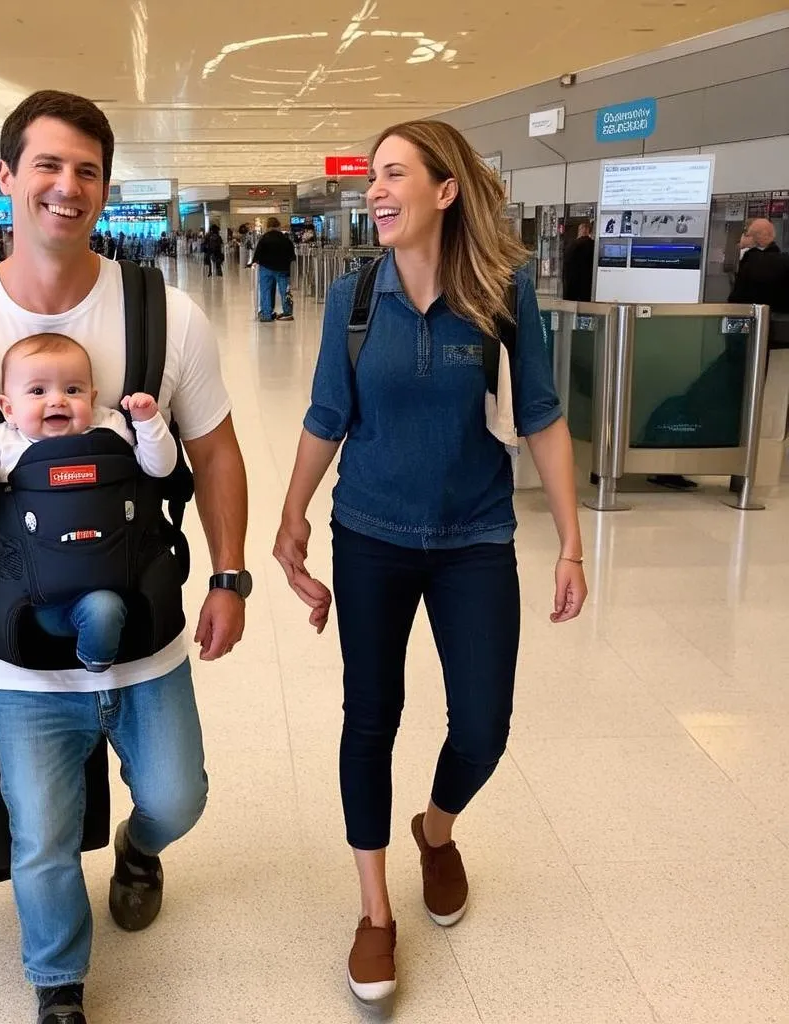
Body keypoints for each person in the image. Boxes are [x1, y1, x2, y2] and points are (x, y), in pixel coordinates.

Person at [0, 90, 250, 1024]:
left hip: (147, 635)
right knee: (38, 838)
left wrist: (231, 575)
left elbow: (216, 452)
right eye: (46, 164)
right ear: (7, 177)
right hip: (17, 652)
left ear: (105, 187)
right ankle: (58, 987)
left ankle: (138, 846)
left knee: (180, 796)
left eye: (86, 170)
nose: (65, 187)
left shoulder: (167, 316)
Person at [273, 120, 587, 1009]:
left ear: (445, 191)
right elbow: (326, 412)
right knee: (370, 718)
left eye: (394, 173)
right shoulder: (354, 297)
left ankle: (436, 829)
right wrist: (292, 514)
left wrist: (570, 541)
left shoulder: (501, 292)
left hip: (475, 537)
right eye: (371, 175)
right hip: (369, 532)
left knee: (484, 726)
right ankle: (375, 914)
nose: (375, 189)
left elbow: (542, 416)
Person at [0, 332, 177, 672]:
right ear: (8, 407)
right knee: (68, 611)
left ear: (92, 398)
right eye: (38, 391)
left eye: (73, 390)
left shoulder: (108, 425)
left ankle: (95, 659)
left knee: (104, 610)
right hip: (35, 594)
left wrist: (148, 423)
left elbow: (159, 467)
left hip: (107, 583)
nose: (57, 401)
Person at [729, 218, 789, 313]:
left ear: (753, 237)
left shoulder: (750, 262)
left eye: (746, 234)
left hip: (753, 318)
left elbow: (738, 298)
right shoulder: (784, 261)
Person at [252, 217, 297, 322]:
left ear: (267, 226)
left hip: (266, 268)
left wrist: (254, 262)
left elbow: (257, 254)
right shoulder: (285, 239)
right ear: (278, 226)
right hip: (282, 269)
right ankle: (287, 313)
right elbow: (292, 256)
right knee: (284, 291)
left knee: (265, 290)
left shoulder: (264, 238)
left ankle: (266, 314)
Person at [562, 220, 595, 301]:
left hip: (571, 286)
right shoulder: (593, 245)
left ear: (579, 231)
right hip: (587, 286)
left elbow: (565, 266)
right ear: (589, 231)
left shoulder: (570, 245)